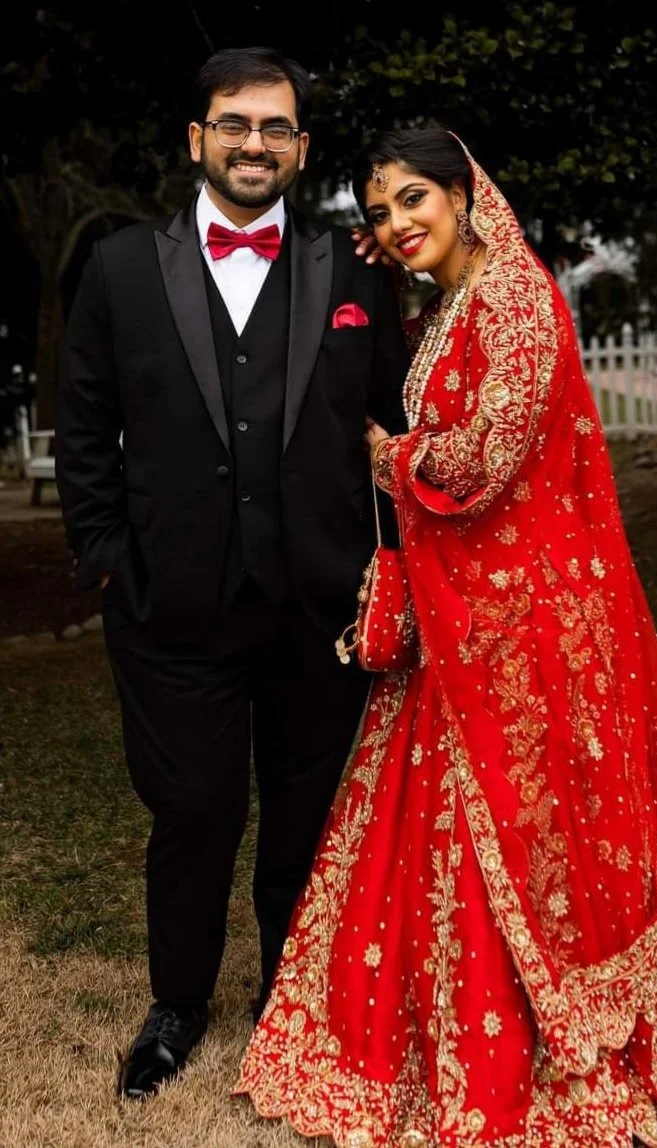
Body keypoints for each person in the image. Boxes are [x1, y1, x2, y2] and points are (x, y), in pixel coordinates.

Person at [234, 129, 657, 1147]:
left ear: (465, 191)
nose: (396, 223)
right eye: (380, 210)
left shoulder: (517, 296)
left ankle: (544, 1049)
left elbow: (487, 456)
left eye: (411, 197)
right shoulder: (452, 302)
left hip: (525, 622)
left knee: (529, 838)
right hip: (467, 616)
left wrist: (398, 459)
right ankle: (442, 1043)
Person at [55, 48, 408, 1099]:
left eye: (275, 127)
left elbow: (389, 427)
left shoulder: (356, 270)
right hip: (170, 605)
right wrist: (107, 559)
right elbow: (83, 428)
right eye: (234, 124)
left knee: (307, 811)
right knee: (195, 807)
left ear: (300, 148)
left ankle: (288, 995)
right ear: (197, 140)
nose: (254, 143)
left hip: (320, 603)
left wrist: (386, 572)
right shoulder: (119, 267)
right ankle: (176, 1004)